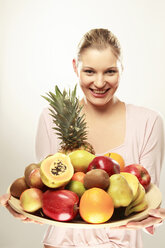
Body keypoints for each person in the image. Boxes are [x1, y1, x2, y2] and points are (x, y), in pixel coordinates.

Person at [1, 28, 165, 248]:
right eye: (89, 71)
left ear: (122, 69)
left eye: (110, 71)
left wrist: (160, 216)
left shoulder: (149, 122)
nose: (99, 83)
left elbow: (147, 200)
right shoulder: (52, 118)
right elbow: (44, 188)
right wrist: (25, 203)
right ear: (74, 67)